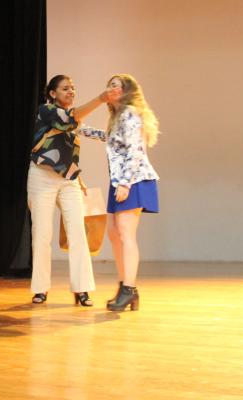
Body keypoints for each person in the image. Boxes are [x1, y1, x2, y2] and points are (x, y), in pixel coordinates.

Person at [27, 75, 114, 307]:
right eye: (65, 88)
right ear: (53, 93)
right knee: (42, 235)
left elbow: (91, 133)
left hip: (69, 181)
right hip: (41, 177)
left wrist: (120, 135)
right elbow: (70, 119)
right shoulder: (46, 111)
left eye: (73, 88)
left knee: (78, 233)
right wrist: (101, 98)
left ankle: (82, 289)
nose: (71, 91)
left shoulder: (74, 120)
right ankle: (40, 289)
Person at [102, 74, 160, 312]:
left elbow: (135, 151)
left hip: (133, 179)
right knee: (114, 234)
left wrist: (125, 183)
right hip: (121, 180)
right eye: (110, 84)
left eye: (117, 85)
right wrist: (81, 131)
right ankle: (128, 289)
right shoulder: (117, 117)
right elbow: (112, 141)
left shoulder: (130, 114)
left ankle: (128, 288)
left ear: (128, 91)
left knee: (125, 234)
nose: (111, 88)